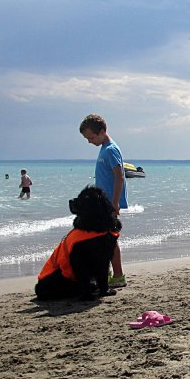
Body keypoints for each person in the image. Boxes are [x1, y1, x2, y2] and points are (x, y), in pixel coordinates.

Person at [79, 113, 128, 288]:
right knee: (102, 239)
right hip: (102, 204)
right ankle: (104, 272)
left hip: (109, 204)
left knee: (110, 240)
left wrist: (115, 203)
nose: (89, 141)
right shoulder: (103, 149)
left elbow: (119, 177)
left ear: (101, 132)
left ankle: (119, 275)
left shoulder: (111, 149)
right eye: (87, 138)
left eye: (91, 137)